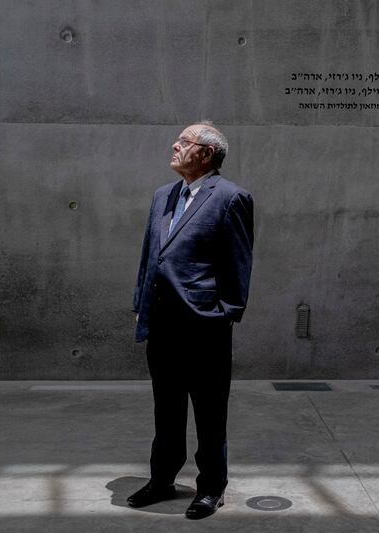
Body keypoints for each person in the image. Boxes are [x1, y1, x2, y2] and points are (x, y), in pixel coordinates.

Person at [129, 121, 254, 519]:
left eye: (184, 142)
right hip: (162, 325)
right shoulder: (162, 196)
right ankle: (162, 479)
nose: (175, 145)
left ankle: (211, 486)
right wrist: (140, 303)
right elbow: (152, 255)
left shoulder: (231, 198)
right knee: (166, 410)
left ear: (206, 153)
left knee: (210, 412)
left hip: (204, 327)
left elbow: (238, 264)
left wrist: (225, 314)